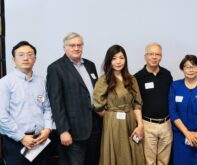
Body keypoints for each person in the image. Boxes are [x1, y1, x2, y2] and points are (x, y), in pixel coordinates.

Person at [46, 32, 102, 165]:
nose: (76, 48)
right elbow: (56, 102)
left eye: (79, 45)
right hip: (73, 131)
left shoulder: (90, 65)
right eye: (72, 45)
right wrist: (63, 130)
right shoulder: (56, 68)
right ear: (64, 47)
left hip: (94, 128)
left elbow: (95, 93)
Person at [0, 41, 53, 165]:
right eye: (21, 55)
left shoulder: (41, 81)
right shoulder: (5, 82)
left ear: (35, 58)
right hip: (16, 142)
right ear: (14, 59)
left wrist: (48, 129)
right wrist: (22, 137)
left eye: (30, 54)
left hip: (40, 140)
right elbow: (2, 115)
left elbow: (47, 108)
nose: (26, 58)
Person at [93, 44, 145, 165]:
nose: (118, 61)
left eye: (121, 58)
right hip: (113, 122)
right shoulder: (104, 80)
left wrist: (140, 125)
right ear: (109, 60)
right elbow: (97, 104)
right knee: (117, 153)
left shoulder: (132, 79)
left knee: (133, 151)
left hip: (131, 120)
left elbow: (137, 103)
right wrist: (110, 115)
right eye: (114, 58)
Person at [169, 55, 197, 165]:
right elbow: (173, 112)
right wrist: (187, 134)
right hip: (181, 138)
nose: (190, 70)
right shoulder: (175, 86)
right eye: (187, 67)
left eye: (193, 66)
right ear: (182, 69)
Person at [134, 43, 173, 165]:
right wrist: (140, 125)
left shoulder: (167, 74)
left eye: (158, 54)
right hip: (148, 125)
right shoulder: (138, 77)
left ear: (161, 57)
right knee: (149, 162)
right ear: (145, 56)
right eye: (151, 54)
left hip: (166, 124)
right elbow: (136, 103)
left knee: (164, 161)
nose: (154, 57)